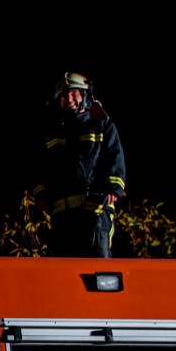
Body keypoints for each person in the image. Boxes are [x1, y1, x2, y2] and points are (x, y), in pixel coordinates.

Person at [34, 72, 127, 257]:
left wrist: (112, 188)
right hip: (62, 215)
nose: (68, 99)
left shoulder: (103, 127)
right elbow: (41, 168)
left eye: (73, 93)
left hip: (95, 210)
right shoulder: (52, 135)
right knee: (64, 270)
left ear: (85, 95)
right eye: (63, 96)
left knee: (97, 265)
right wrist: (41, 194)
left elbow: (115, 159)